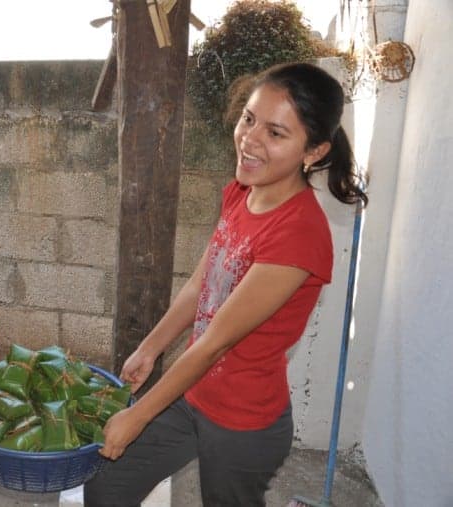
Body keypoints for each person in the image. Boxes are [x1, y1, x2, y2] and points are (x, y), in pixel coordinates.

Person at [84, 62, 368, 507]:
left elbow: (215, 342)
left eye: (276, 133)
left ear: (313, 151)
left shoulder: (300, 234)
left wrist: (138, 415)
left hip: (244, 424)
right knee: (107, 488)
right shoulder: (241, 192)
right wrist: (151, 347)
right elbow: (203, 282)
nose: (250, 139)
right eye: (249, 119)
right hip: (192, 394)